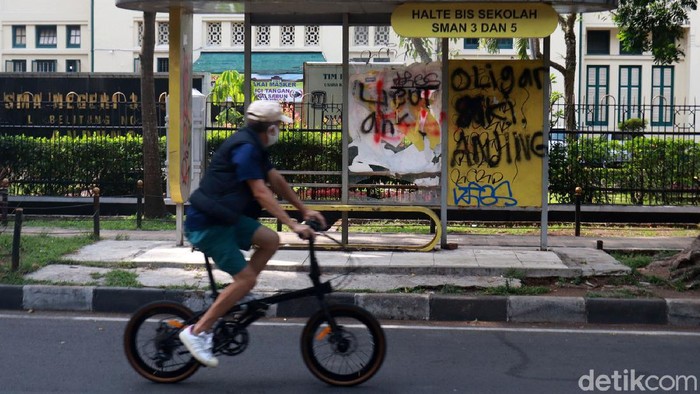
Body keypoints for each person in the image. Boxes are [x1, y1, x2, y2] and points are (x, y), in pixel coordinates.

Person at [179, 100, 327, 367]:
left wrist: (304, 210)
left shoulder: (255, 146)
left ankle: (239, 292)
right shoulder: (246, 148)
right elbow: (261, 192)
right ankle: (197, 331)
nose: (280, 130)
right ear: (270, 128)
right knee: (246, 279)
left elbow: (276, 181)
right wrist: (294, 224)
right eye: (279, 125)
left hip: (226, 217)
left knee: (271, 240)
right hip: (208, 223)